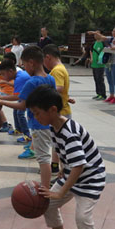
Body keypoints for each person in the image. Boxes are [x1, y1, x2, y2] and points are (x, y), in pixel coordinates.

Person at [25, 84, 105, 229]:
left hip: (90, 178)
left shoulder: (69, 131)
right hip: (71, 173)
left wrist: (61, 190)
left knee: (82, 217)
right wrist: (60, 167)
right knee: (47, 204)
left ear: (52, 110)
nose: (34, 118)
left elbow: (80, 164)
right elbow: (59, 149)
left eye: (36, 113)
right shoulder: (54, 126)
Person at [0, 46, 55, 182]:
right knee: (44, 154)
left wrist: (0, 101)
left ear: (31, 63)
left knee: (43, 158)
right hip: (49, 123)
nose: (24, 68)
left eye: (25, 64)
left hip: (39, 124)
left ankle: (45, 187)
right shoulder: (51, 79)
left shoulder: (31, 82)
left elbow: (22, 105)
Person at [43, 44, 73, 177]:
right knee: (57, 141)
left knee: (61, 144)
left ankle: (64, 171)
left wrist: (43, 91)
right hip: (63, 108)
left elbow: (59, 87)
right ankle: (55, 166)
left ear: (48, 57)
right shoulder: (61, 68)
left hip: (61, 111)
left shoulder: (57, 70)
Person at [0, 59, 31, 143]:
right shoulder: (19, 75)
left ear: (10, 71)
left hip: (32, 99)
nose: (3, 77)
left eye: (3, 74)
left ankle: (27, 135)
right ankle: (19, 129)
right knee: (16, 110)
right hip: (28, 96)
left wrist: (0, 98)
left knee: (20, 113)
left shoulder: (20, 78)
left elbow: (16, 97)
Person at [88, 27, 115, 104]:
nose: (113, 32)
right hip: (108, 62)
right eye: (112, 31)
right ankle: (111, 96)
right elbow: (102, 37)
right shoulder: (110, 39)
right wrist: (93, 33)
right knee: (110, 81)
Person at [89, 31, 107, 100]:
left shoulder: (103, 42)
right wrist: (91, 58)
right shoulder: (94, 43)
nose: (95, 35)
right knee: (96, 79)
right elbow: (91, 51)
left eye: (97, 34)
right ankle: (98, 93)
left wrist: (94, 32)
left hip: (100, 64)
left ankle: (103, 94)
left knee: (100, 79)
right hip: (94, 64)